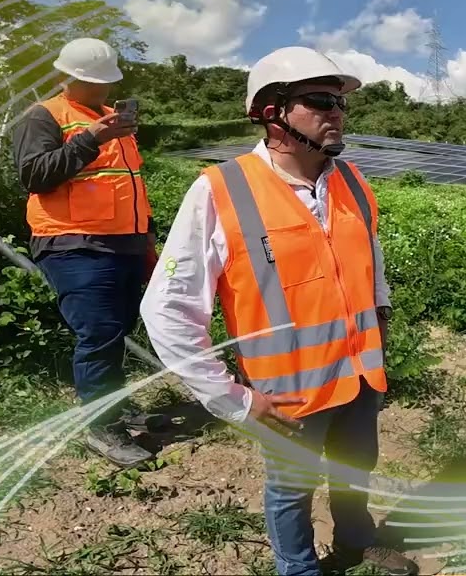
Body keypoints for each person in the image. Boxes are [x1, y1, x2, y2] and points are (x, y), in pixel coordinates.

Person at [140, 46, 418, 576]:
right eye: (319, 100)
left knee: (355, 468)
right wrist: (232, 400)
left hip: (360, 375)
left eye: (339, 101)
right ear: (272, 113)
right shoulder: (220, 190)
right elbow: (168, 309)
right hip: (288, 393)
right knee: (292, 490)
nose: (336, 112)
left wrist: (380, 316)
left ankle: (357, 545)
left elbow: (369, 259)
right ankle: (299, 568)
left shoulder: (352, 182)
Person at [12, 37, 157, 468]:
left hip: (125, 242)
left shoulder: (114, 118)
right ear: (67, 78)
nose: (101, 92)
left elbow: (128, 183)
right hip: (73, 242)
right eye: (92, 84)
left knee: (117, 328)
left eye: (105, 84)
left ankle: (114, 407)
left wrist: (146, 239)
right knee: (97, 332)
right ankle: (100, 426)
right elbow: (34, 175)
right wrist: (89, 139)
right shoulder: (44, 115)